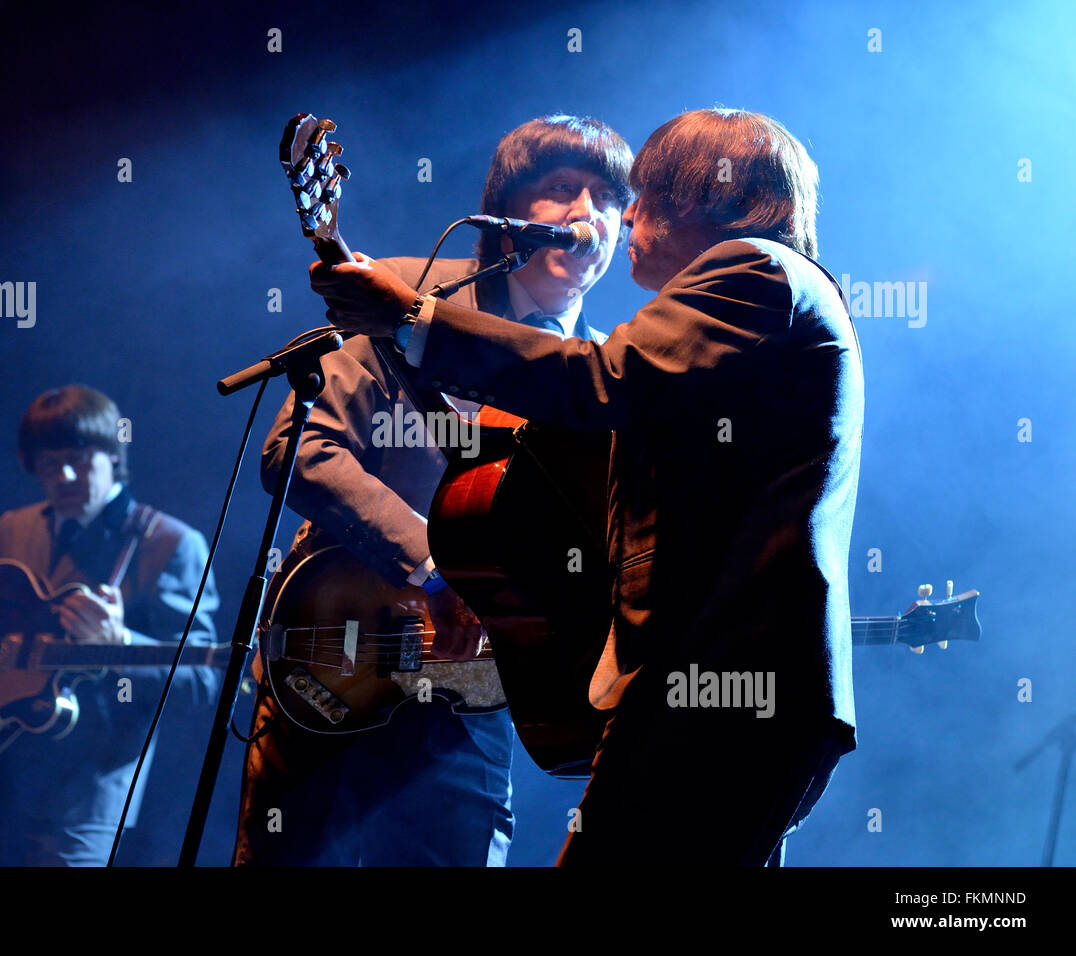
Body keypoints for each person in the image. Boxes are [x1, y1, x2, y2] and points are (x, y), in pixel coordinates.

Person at [309, 107, 863, 867]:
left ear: (699, 194)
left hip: (718, 693)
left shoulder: (754, 272)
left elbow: (600, 382)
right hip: (712, 696)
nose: (624, 214)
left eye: (639, 195)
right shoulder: (761, 299)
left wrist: (414, 318)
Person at [233, 116, 635, 866]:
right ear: (506, 209)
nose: (587, 215)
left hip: (470, 695)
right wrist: (434, 566)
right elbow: (300, 447)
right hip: (337, 655)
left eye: (609, 200)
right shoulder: (405, 292)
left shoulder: (595, 374)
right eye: (560, 190)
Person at [0, 384, 221, 865]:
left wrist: (120, 644)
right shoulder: (14, 527)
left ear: (113, 456)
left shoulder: (170, 544)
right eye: (49, 465)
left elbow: (203, 680)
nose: (65, 476)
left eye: (80, 459)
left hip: (87, 792)